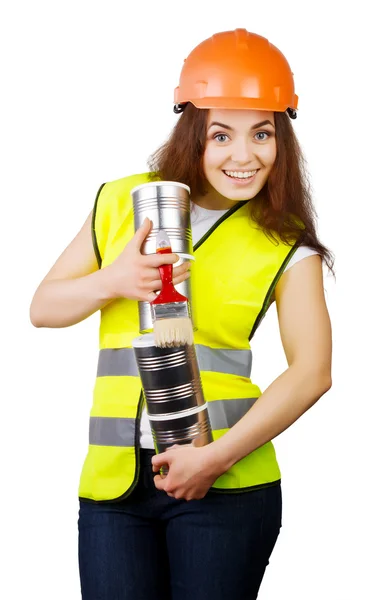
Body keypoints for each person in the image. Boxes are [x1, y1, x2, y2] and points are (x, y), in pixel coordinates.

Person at [30, 28, 333, 600]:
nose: (243, 156)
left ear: (281, 141)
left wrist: (212, 460)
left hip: (225, 483)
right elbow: (42, 308)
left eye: (262, 134)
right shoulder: (125, 201)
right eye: (222, 134)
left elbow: (312, 372)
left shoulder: (287, 245)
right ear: (193, 131)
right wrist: (113, 280)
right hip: (115, 485)